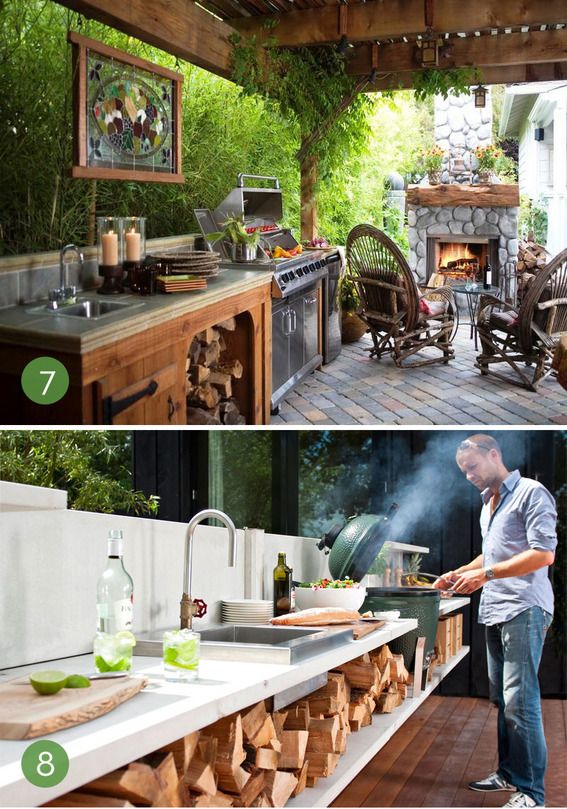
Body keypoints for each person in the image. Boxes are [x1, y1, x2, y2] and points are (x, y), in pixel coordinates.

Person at [434, 434, 557, 809]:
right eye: (463, 472)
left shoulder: (531, 494)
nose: (469, 476)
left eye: (472, 467)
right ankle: (509, 774)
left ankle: (533, 794)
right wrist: (457, 572)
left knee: (521, 701)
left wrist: (485, 575)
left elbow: (543, 554)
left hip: (525, 608)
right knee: (504, 701)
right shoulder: (487, 505)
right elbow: (489, 555)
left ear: (494, 455)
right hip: (496, 609)